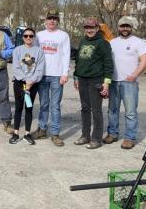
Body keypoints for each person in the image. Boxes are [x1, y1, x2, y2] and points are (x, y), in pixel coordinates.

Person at [103, 17, 146, 150]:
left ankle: (130, 138)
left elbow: (144, 61)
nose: (125, 29)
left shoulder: (138, 42)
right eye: (122, 26)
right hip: (113, 81)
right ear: (118, 27)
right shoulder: (112, 42)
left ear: (131, 27)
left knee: (130, 112)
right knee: (112, 110)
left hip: (129, 83)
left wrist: (134, 75)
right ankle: (112, 134)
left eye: (127, 26)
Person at [72, 18, 113, 150]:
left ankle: (96, 139)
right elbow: (78, 61)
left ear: (97, 28)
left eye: (92, 28)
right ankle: (85, 136)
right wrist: (76, 77)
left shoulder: (103, 43)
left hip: (96, 80)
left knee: (96, 110)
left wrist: (106, 83)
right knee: (84, 108)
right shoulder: (83, 41)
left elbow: (108, 64)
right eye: (87, 28)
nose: (89, 30)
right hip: (82, 79)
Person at [32, 9, 70, 146]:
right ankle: (42, 129)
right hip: (42, 75)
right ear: (45, 20)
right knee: (43, 104)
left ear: (57, 20)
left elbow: (66, 55)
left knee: (55, 106)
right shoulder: (39, 35)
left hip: (57, 75)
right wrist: (32, 72)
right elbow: (33, 54)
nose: (52, 21)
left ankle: (55, 133)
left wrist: (65, 73)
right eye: (49, 18)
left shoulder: (63, 36)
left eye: (54, 18)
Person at [9, 28, 44, 145]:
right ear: (22, 37)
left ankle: (27, 133)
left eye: (31, 36)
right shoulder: (17, 50)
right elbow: (16, 68)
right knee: (19, 108)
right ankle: (16, 132)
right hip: (20, 83)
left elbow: (40, 68)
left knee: (29, 107)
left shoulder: (39, 51)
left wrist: (31, 81)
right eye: (26, 36)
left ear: (34, 37)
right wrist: (25, 81)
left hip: (32, 84)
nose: (28, 38)